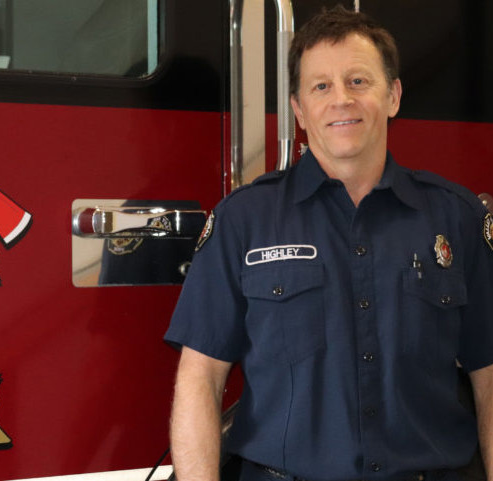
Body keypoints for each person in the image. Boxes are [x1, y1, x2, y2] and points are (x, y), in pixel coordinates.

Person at [164, 6, 493, 481]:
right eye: (321, 86)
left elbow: (488, 375)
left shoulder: (456, 218)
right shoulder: (243, 221)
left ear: (394, 95)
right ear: (298, 109)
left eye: (359, 81)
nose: (341, 99)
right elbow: (201, 379)